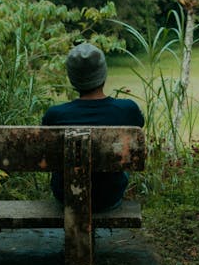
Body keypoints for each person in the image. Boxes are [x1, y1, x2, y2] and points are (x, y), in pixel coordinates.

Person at [42, 42, 144, 212]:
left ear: (72, 78)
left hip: (66, 196)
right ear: (103, 74)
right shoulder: (127, 110)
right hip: (108, 197)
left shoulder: (55, 115)